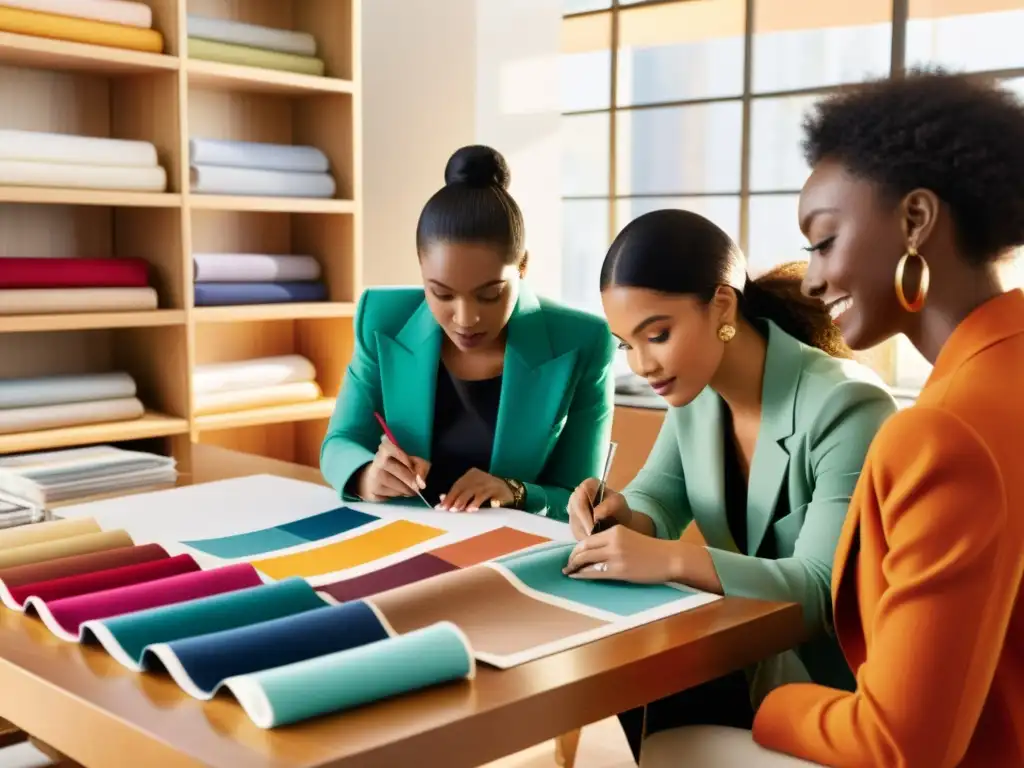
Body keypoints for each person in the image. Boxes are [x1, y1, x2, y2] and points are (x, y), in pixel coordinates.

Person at [637, 70, 1024, 768]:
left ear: (915, 220)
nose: (810, 280)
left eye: (823, 241)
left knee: (671, 741)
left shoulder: (936, 435)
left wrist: (769, 708)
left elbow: (898, 744)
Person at [561, 208, 898, 762]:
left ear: (722, 304)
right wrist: (622, 513)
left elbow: (817, 593)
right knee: (630, 671)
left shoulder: (846, 406)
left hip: (840, 692)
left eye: (658, 334)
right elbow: (658, 497)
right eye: (626, 344)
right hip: (749, 660)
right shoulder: (697, 391)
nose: (642, 364)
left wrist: (669, 560)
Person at [320, 145, 616, 518]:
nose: (465, 318)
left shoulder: (581, 342)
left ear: (523, 267)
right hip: (405, 533)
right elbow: (340, 443)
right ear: (421, 269)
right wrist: (367, 476)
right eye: (441, 293)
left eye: (490, 294)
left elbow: (581, 498)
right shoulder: (381, 319)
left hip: (512, 549)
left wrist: (517, 492)